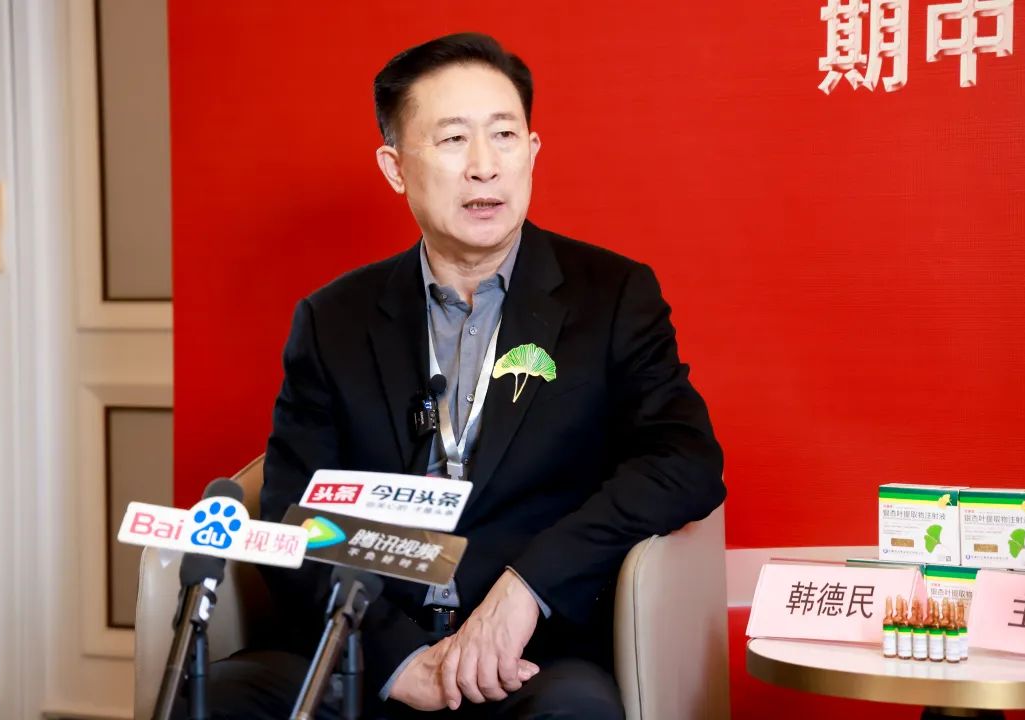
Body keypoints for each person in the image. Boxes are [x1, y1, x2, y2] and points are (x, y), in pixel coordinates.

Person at [203, 32, 725, 720]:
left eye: (504, 135)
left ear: (532, 151)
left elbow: (686, 461)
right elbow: (294, 512)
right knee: (220, 696)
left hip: (531, 655)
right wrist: (398, 660)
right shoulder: (334, 320)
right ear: (395, 167)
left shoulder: (611, 296)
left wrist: (528, 587)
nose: (485, 167)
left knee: (575, 711)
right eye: (453, 139)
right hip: (364, 649)